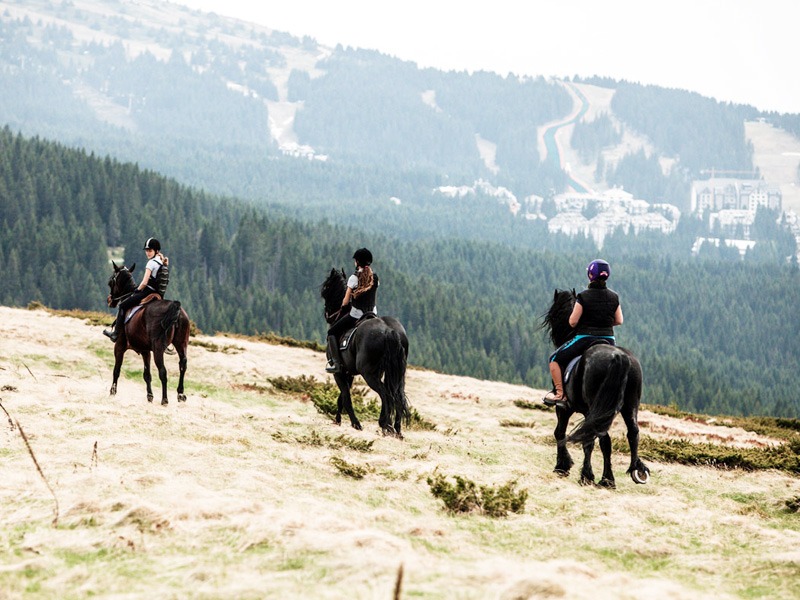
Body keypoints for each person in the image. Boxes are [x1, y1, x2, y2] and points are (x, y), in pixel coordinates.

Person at [544, 258, 623, 408]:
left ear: (591, 275)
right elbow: (619, 320)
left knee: (554, 358)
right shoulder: (614, 297)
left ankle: (560, 394)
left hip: (586, 338)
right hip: (609, 340)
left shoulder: (583, 296)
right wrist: (604, 323)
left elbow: (572, 322)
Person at [103, 238, 168, 342]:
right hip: (159, 294)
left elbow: (144, 282)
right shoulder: (161, 262)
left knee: (123, 305)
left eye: (150, 250)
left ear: (156, 251)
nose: (147, 253)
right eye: (146, 250)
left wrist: (137, 290)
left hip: (148, 291)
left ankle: (115, 334)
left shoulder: (151, 263)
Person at [325, 247, 379, 373]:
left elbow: (345, 301)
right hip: (373, 314)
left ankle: (336, 364)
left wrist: (345, 306)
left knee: (332, 332)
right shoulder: (375, 278)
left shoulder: (354, 278)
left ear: (358, 262)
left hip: (357, 315)